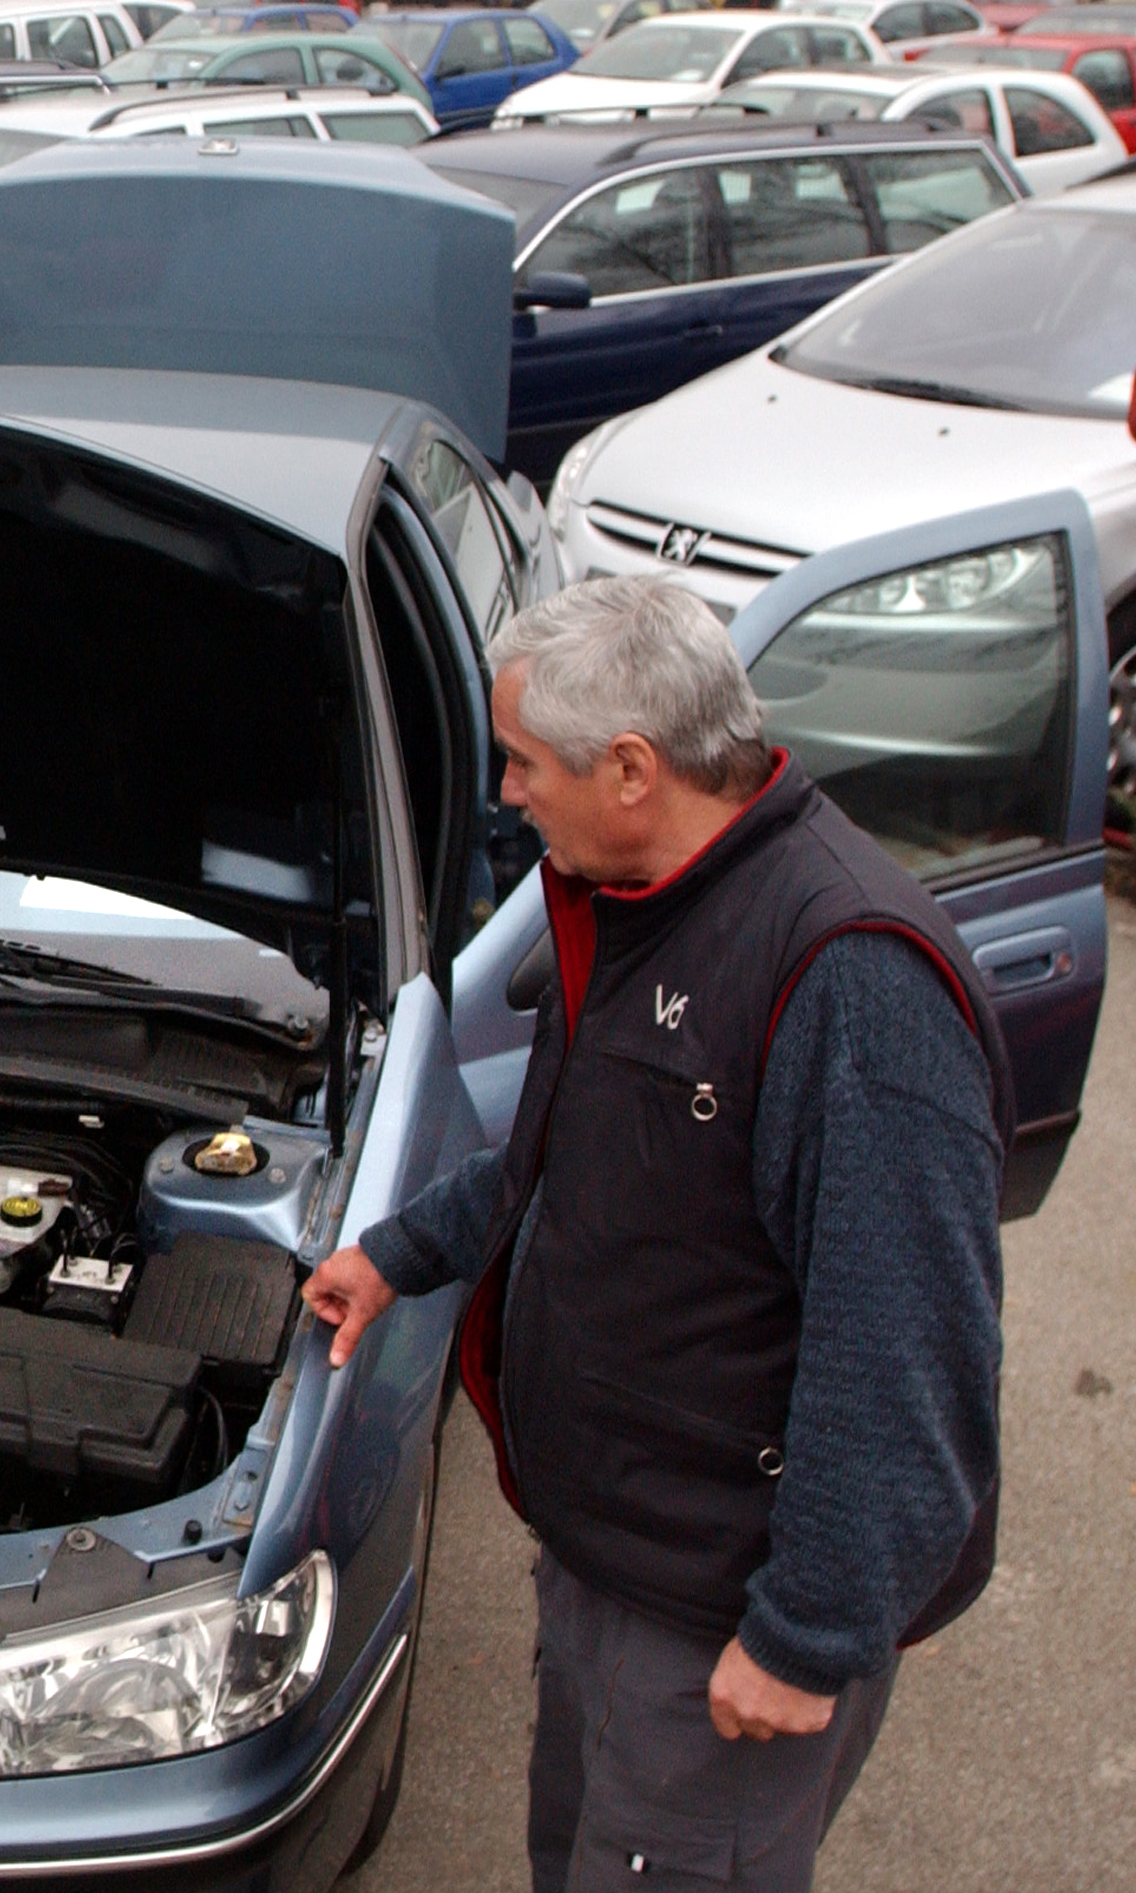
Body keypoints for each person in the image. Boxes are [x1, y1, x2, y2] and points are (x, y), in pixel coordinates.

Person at [302, 576, 1009, 1893]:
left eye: (520, 764)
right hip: (608, 1553)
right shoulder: (638, 893)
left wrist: (809, 1633)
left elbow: (904, 1349)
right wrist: (397, 1255)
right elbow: (564, 1161)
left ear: (630, 767)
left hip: (721, 1610)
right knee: (572, 1857)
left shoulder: (848, 974)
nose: (507, 795)